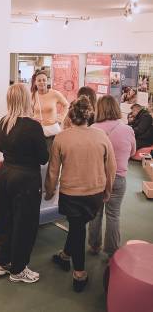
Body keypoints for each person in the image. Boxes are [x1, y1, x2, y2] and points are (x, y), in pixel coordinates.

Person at [45, 95, 116, 292]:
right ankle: (65, 256)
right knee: (78, 226)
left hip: (71, 194)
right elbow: (111, 167)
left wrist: (49, 192)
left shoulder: (61, 137)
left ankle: (79, 273)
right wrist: (108, 190)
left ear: (71, 114)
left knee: (77, 228)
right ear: (89, 115)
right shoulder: (102, 136)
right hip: (95, 194)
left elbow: (53, 170)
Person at [0, 83, 48, 283]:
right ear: (26, 100)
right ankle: (18, 269)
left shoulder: (3, 122)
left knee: (6, 219)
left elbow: (1, 147)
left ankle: (2, 262)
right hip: (26, 179)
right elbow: (43, 158)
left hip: (5, 174)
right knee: (25, 224)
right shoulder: (33, 126)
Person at [88, 95, 136, 258]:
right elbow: (133, 152)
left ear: (98, 109)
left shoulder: (93, 129)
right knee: (113, 215)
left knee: (95, 214)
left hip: (97, 178)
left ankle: (94, 245)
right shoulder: (127, 129)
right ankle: (112, 251)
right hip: (118, 177)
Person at [30, 70, 69, 149]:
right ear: (35, 82)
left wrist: (61, 118)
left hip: (52, 131)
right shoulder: (32, 96)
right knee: (39, 157)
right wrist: (33, 119)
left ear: (47, 81)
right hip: (38, 131)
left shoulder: (54, 94)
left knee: (52, 156)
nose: (42, 82)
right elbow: (30, 112)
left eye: (44, 80)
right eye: (39, 80)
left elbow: (66, 105)